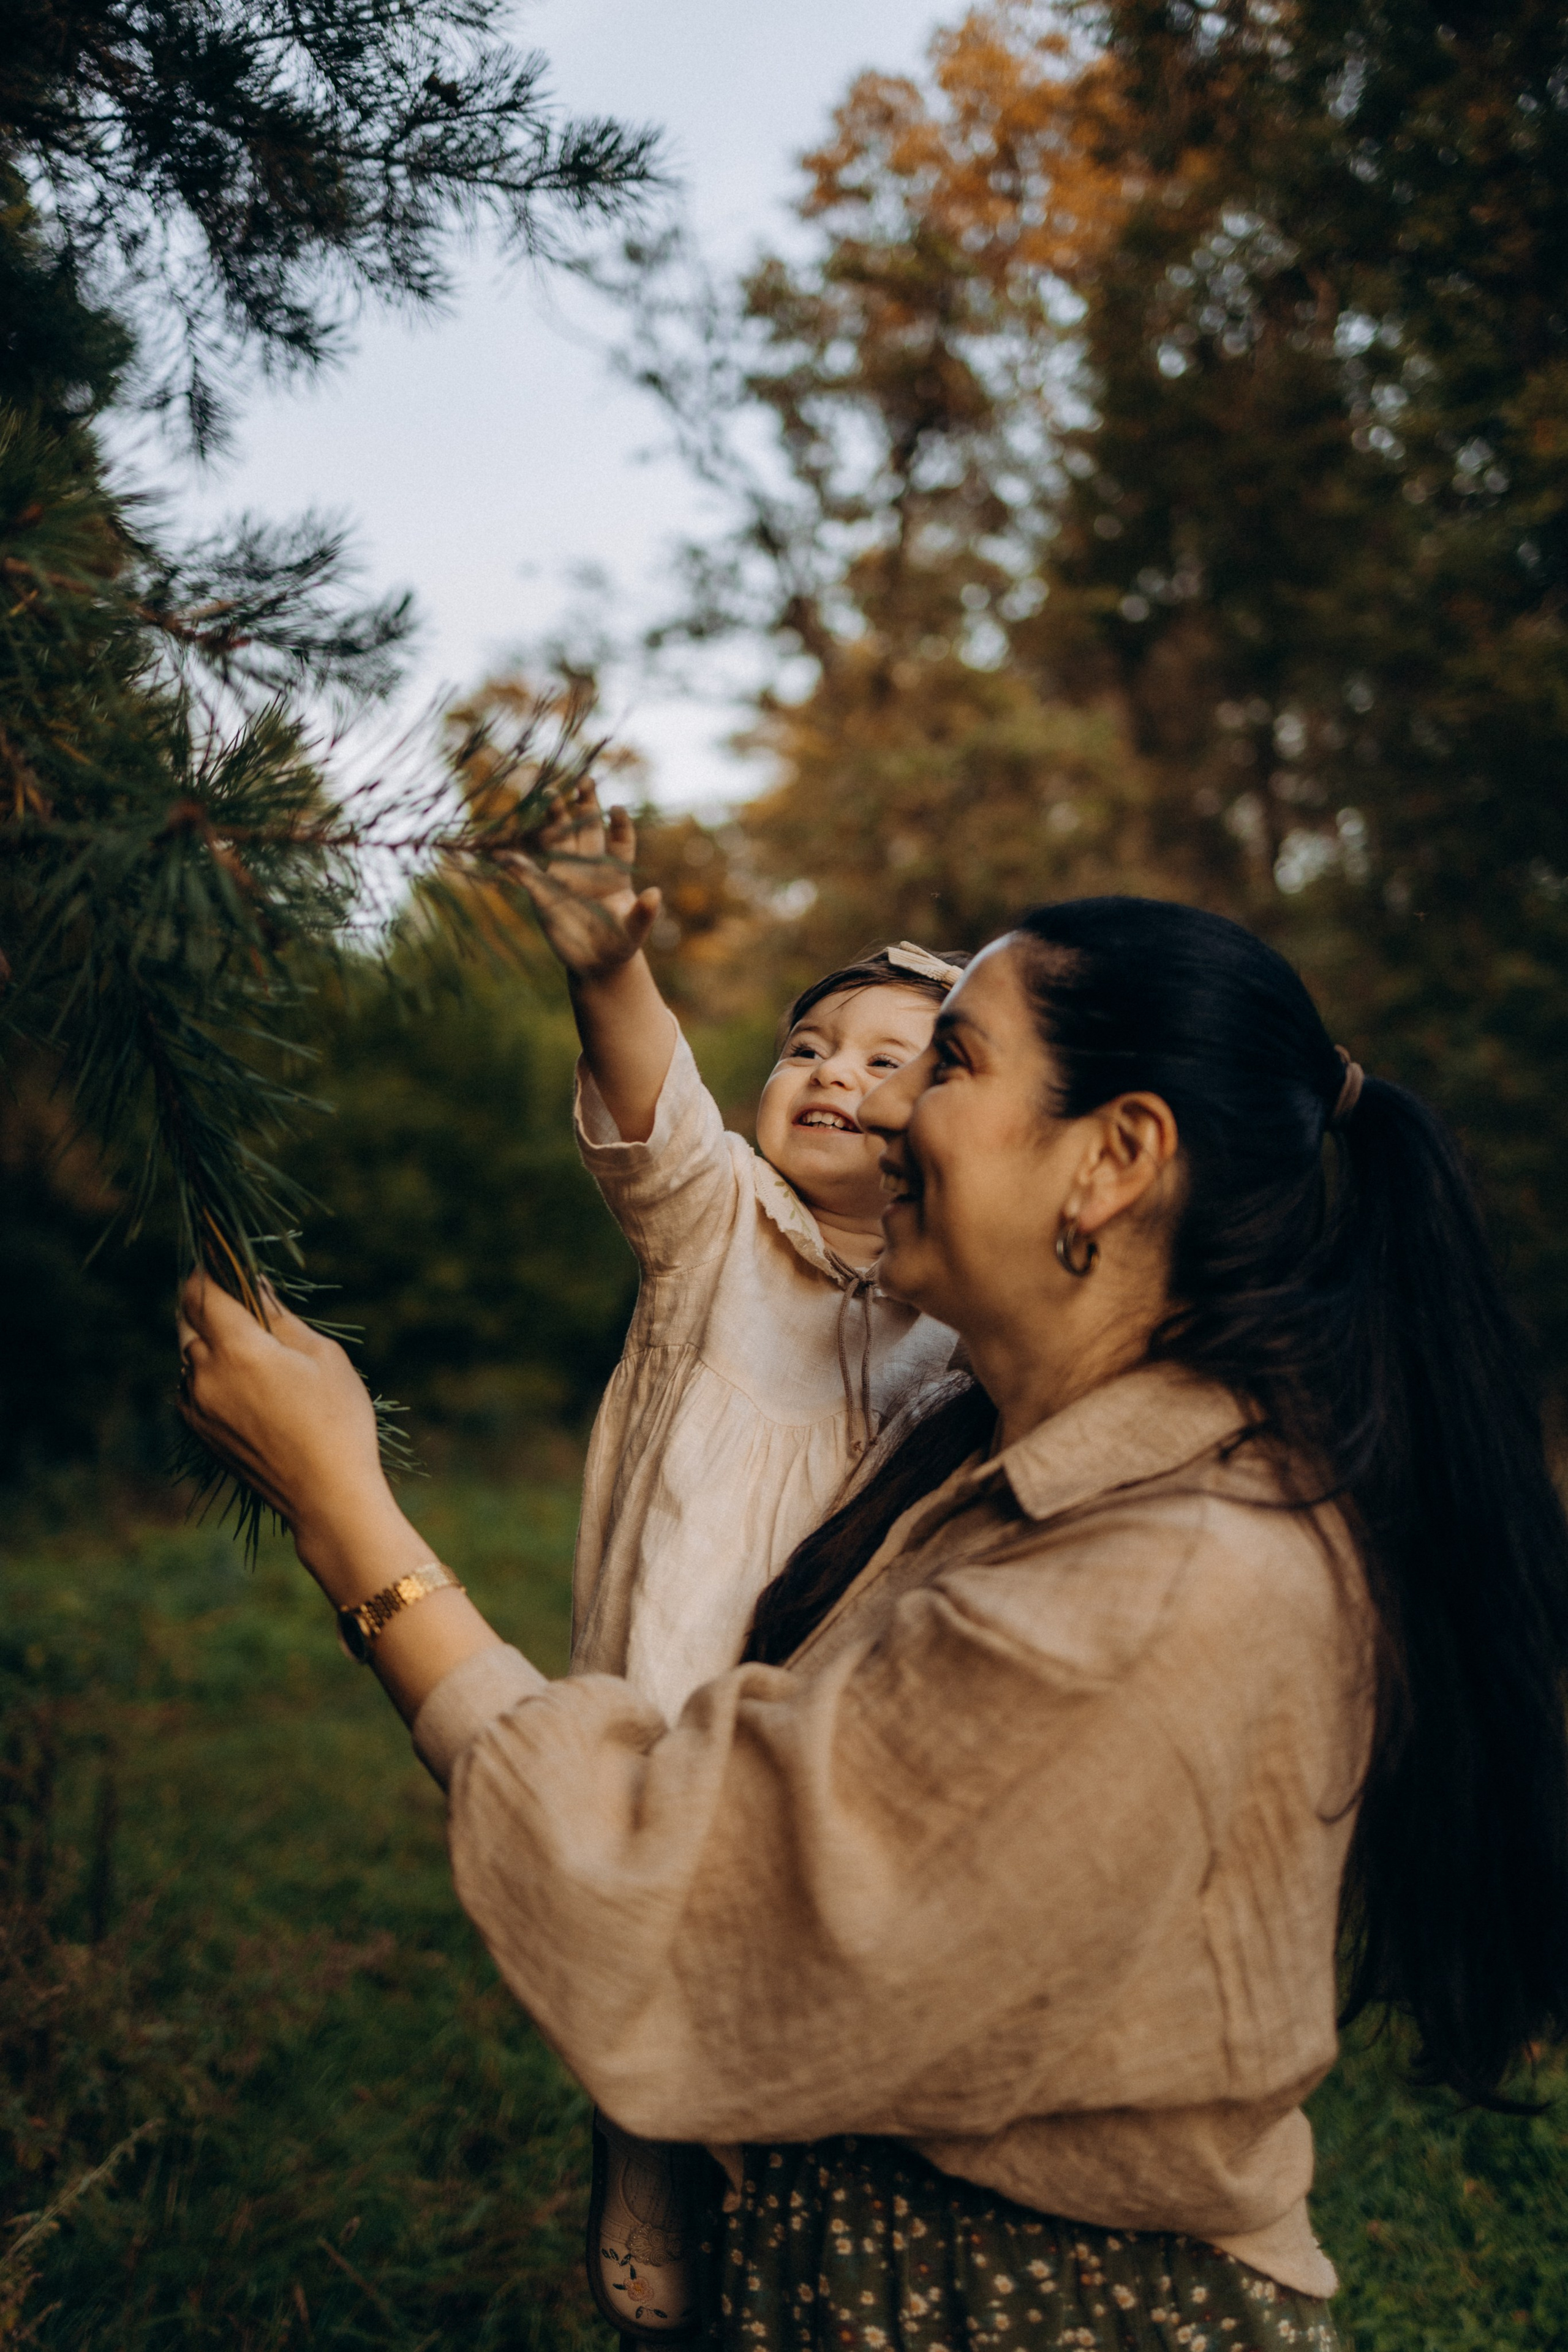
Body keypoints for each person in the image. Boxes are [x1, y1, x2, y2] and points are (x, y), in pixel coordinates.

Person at [175, 897, 1568, 2352]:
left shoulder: (1161, 1583)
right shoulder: (1007, 1455)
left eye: (947, 1064)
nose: (888, 1121)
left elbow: (684, 1896)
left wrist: (344, 1509)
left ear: (1111, 1160)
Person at [502, 782, 970, 2328]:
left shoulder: (964, 1325)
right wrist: (603, 968)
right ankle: (643, 2144)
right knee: (663, 1944)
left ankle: (799, 2183)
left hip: (846, 1719)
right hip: (678, 1689)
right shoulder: (715, 1233)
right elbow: (653, 1102)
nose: (828, 1071)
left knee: (820, 1966)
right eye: (806, 1048)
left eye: (888, 1061)